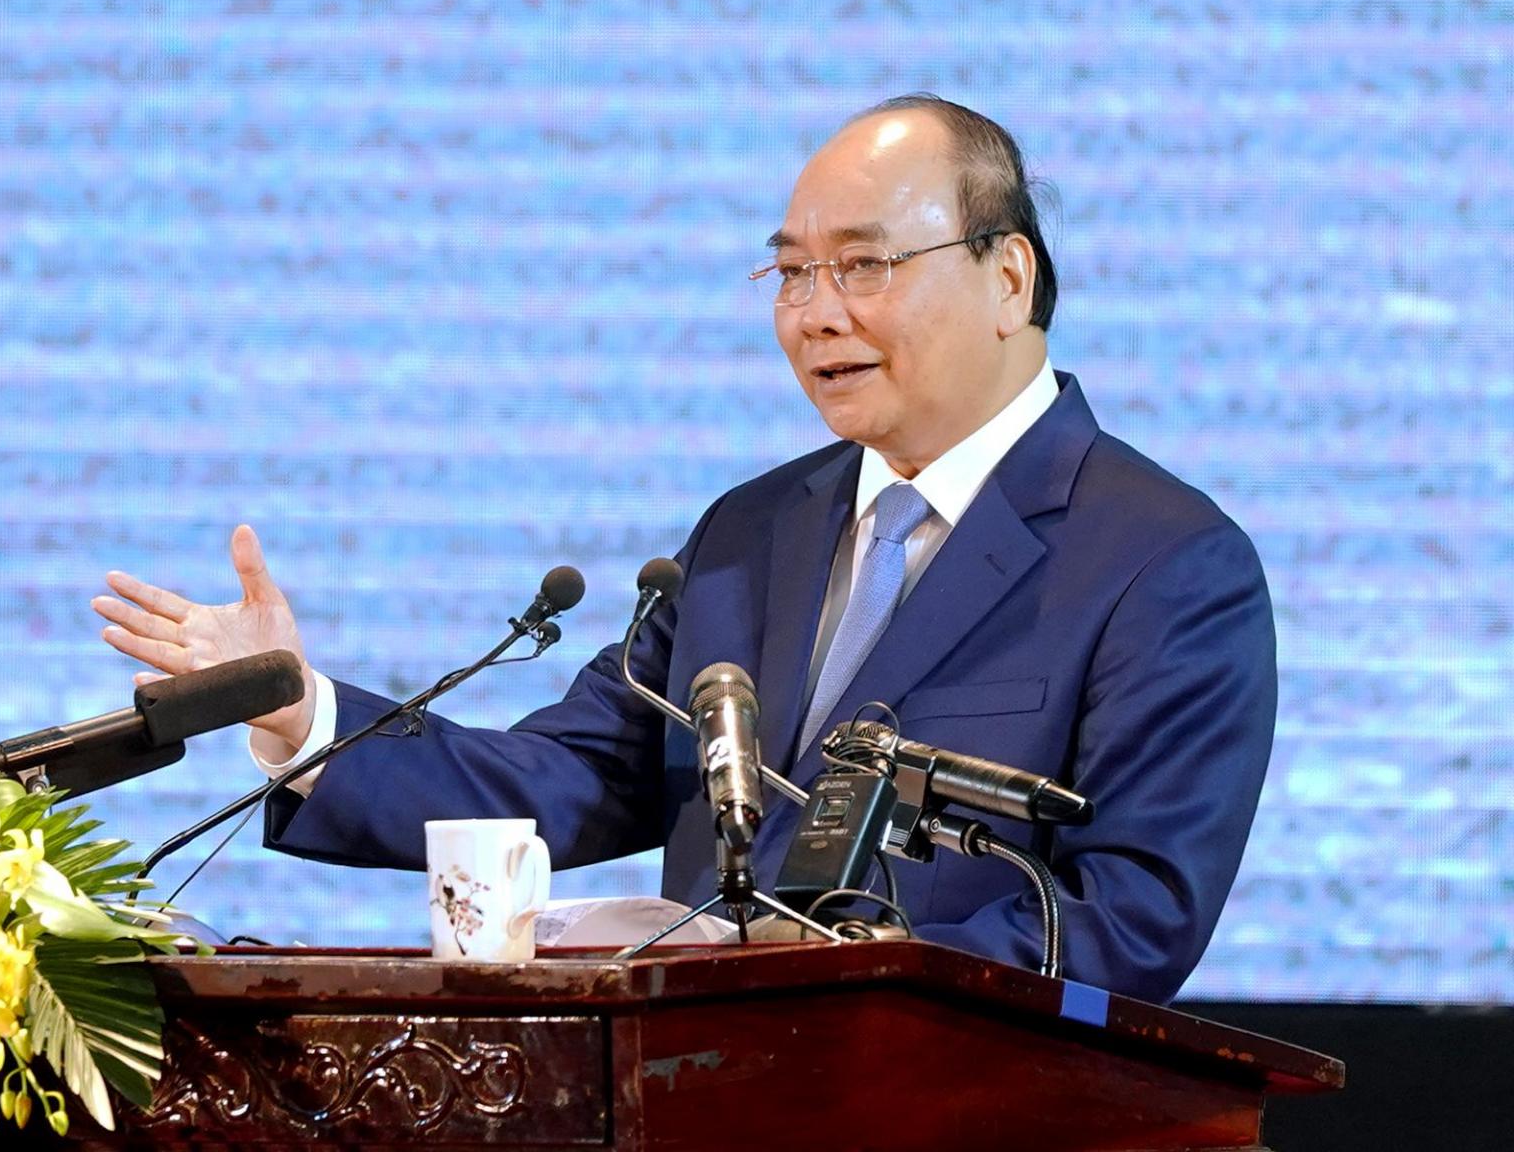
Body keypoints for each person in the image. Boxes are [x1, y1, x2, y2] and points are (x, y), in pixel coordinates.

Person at [91, 94, 1276, 1004]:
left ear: (1007, 276)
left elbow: (1130, 917)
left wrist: (848, 978)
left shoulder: (1163, 562)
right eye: (791, 271)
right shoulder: (753, 532)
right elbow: (568, 776)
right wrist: (306, 715)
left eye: (863, 265)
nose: (814, 311)